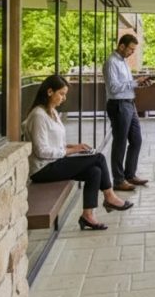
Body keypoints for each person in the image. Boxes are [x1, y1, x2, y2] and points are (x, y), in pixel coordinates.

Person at [24, 74, 132, 231]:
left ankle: (88, 216)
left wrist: (74, 146)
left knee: (94, 172)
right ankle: (109, 196)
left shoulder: (52, 112)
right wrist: (71, 151)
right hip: (42, 169)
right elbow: (41, 151)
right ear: (49, 92)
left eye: (65, 94)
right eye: (61, 94)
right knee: (99, 158)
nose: (64, 98)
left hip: (53, 163)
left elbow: (53, 143)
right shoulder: (38, 115)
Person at [104, 33, 152, 191]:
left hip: (129, 104)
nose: (132, 52)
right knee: (120, 143)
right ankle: (118, 180)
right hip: (118, 105)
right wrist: (135, 82)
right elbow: (113, 88)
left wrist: (139, 83)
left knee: (136, 140)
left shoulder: (123, 61)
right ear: (121, 46)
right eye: (131, 49)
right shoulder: (111, 62)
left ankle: (130, 175)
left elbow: (126, 84)